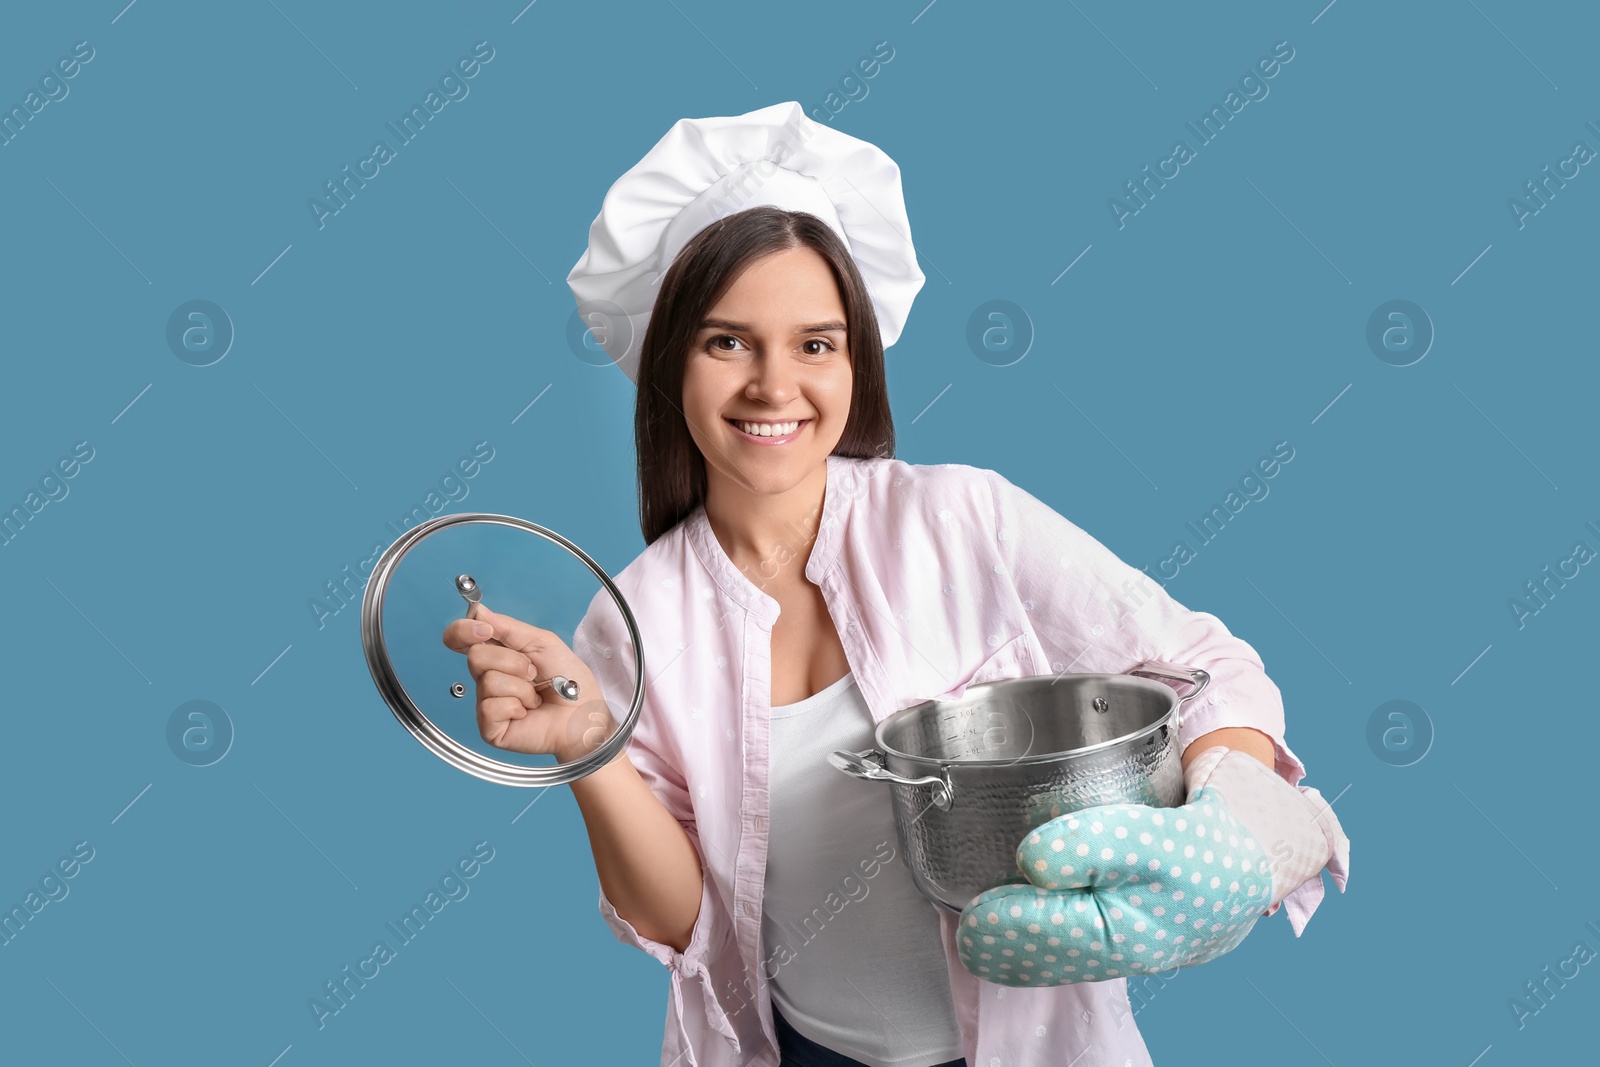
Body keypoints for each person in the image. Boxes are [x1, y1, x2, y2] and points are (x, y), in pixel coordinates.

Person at [443, 103, 1347, 1067]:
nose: (773, 386)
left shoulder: (966, 520)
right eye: (728, 341)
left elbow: (1204, 667)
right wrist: (589, 748)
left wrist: (1232, 822)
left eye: (815, 343)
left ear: (856, 359)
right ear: (670, 361)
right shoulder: (633, 620)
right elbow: (685, 928)